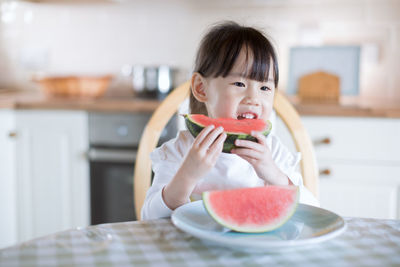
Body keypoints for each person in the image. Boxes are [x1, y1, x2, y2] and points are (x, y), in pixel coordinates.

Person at [141, 21, 319, 220]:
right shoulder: (181, 151)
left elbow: (313, 213)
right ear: (201, 88)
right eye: (239, 83)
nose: (253, 98)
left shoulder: (274, 153)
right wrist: (187, 175)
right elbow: (149, 218)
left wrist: (275, 176)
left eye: (265, 88)